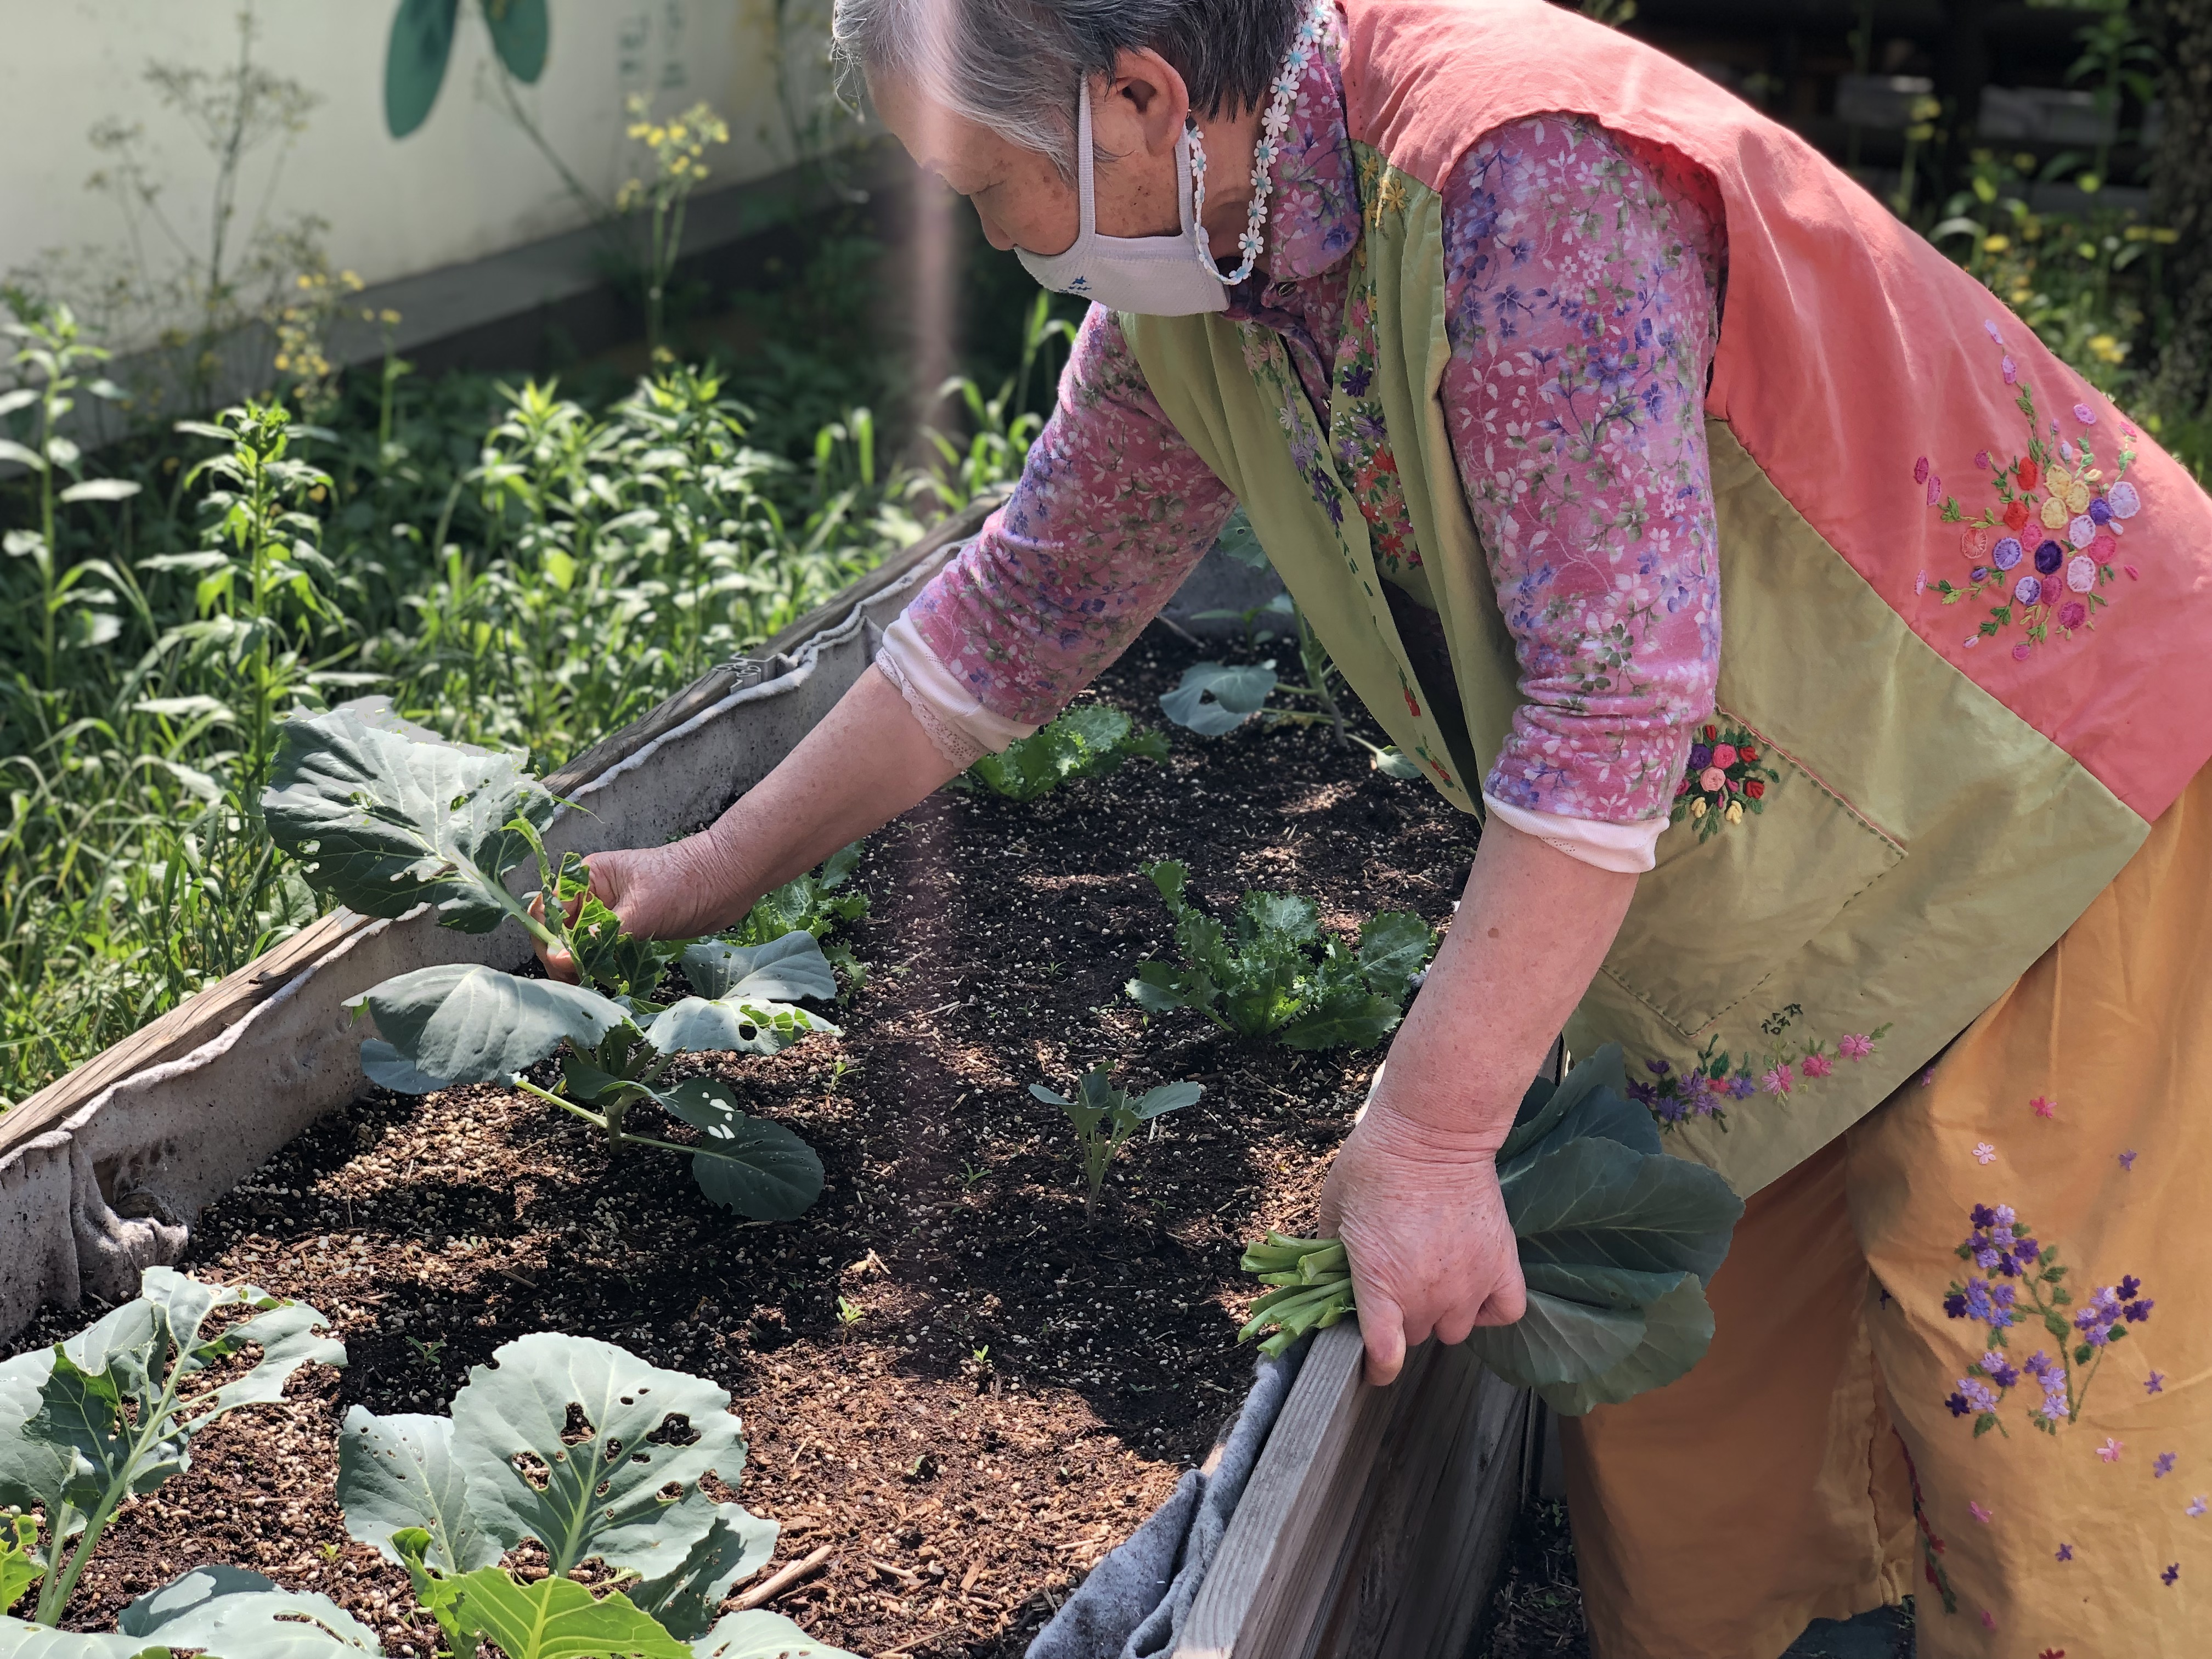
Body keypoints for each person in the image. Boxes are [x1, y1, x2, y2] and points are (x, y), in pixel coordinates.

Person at [546, 2, 2212, 1653]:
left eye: (991, 184)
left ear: (1139, 99)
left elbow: (1611, 704)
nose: (991, 236)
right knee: (1706, 1463)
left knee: (2040, 1445)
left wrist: (1423, 1139)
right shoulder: (1203, 278)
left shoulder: (1523, 175)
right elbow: (1017, 612)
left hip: (2028, 795)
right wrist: (708, 868)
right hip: (1762, 892)